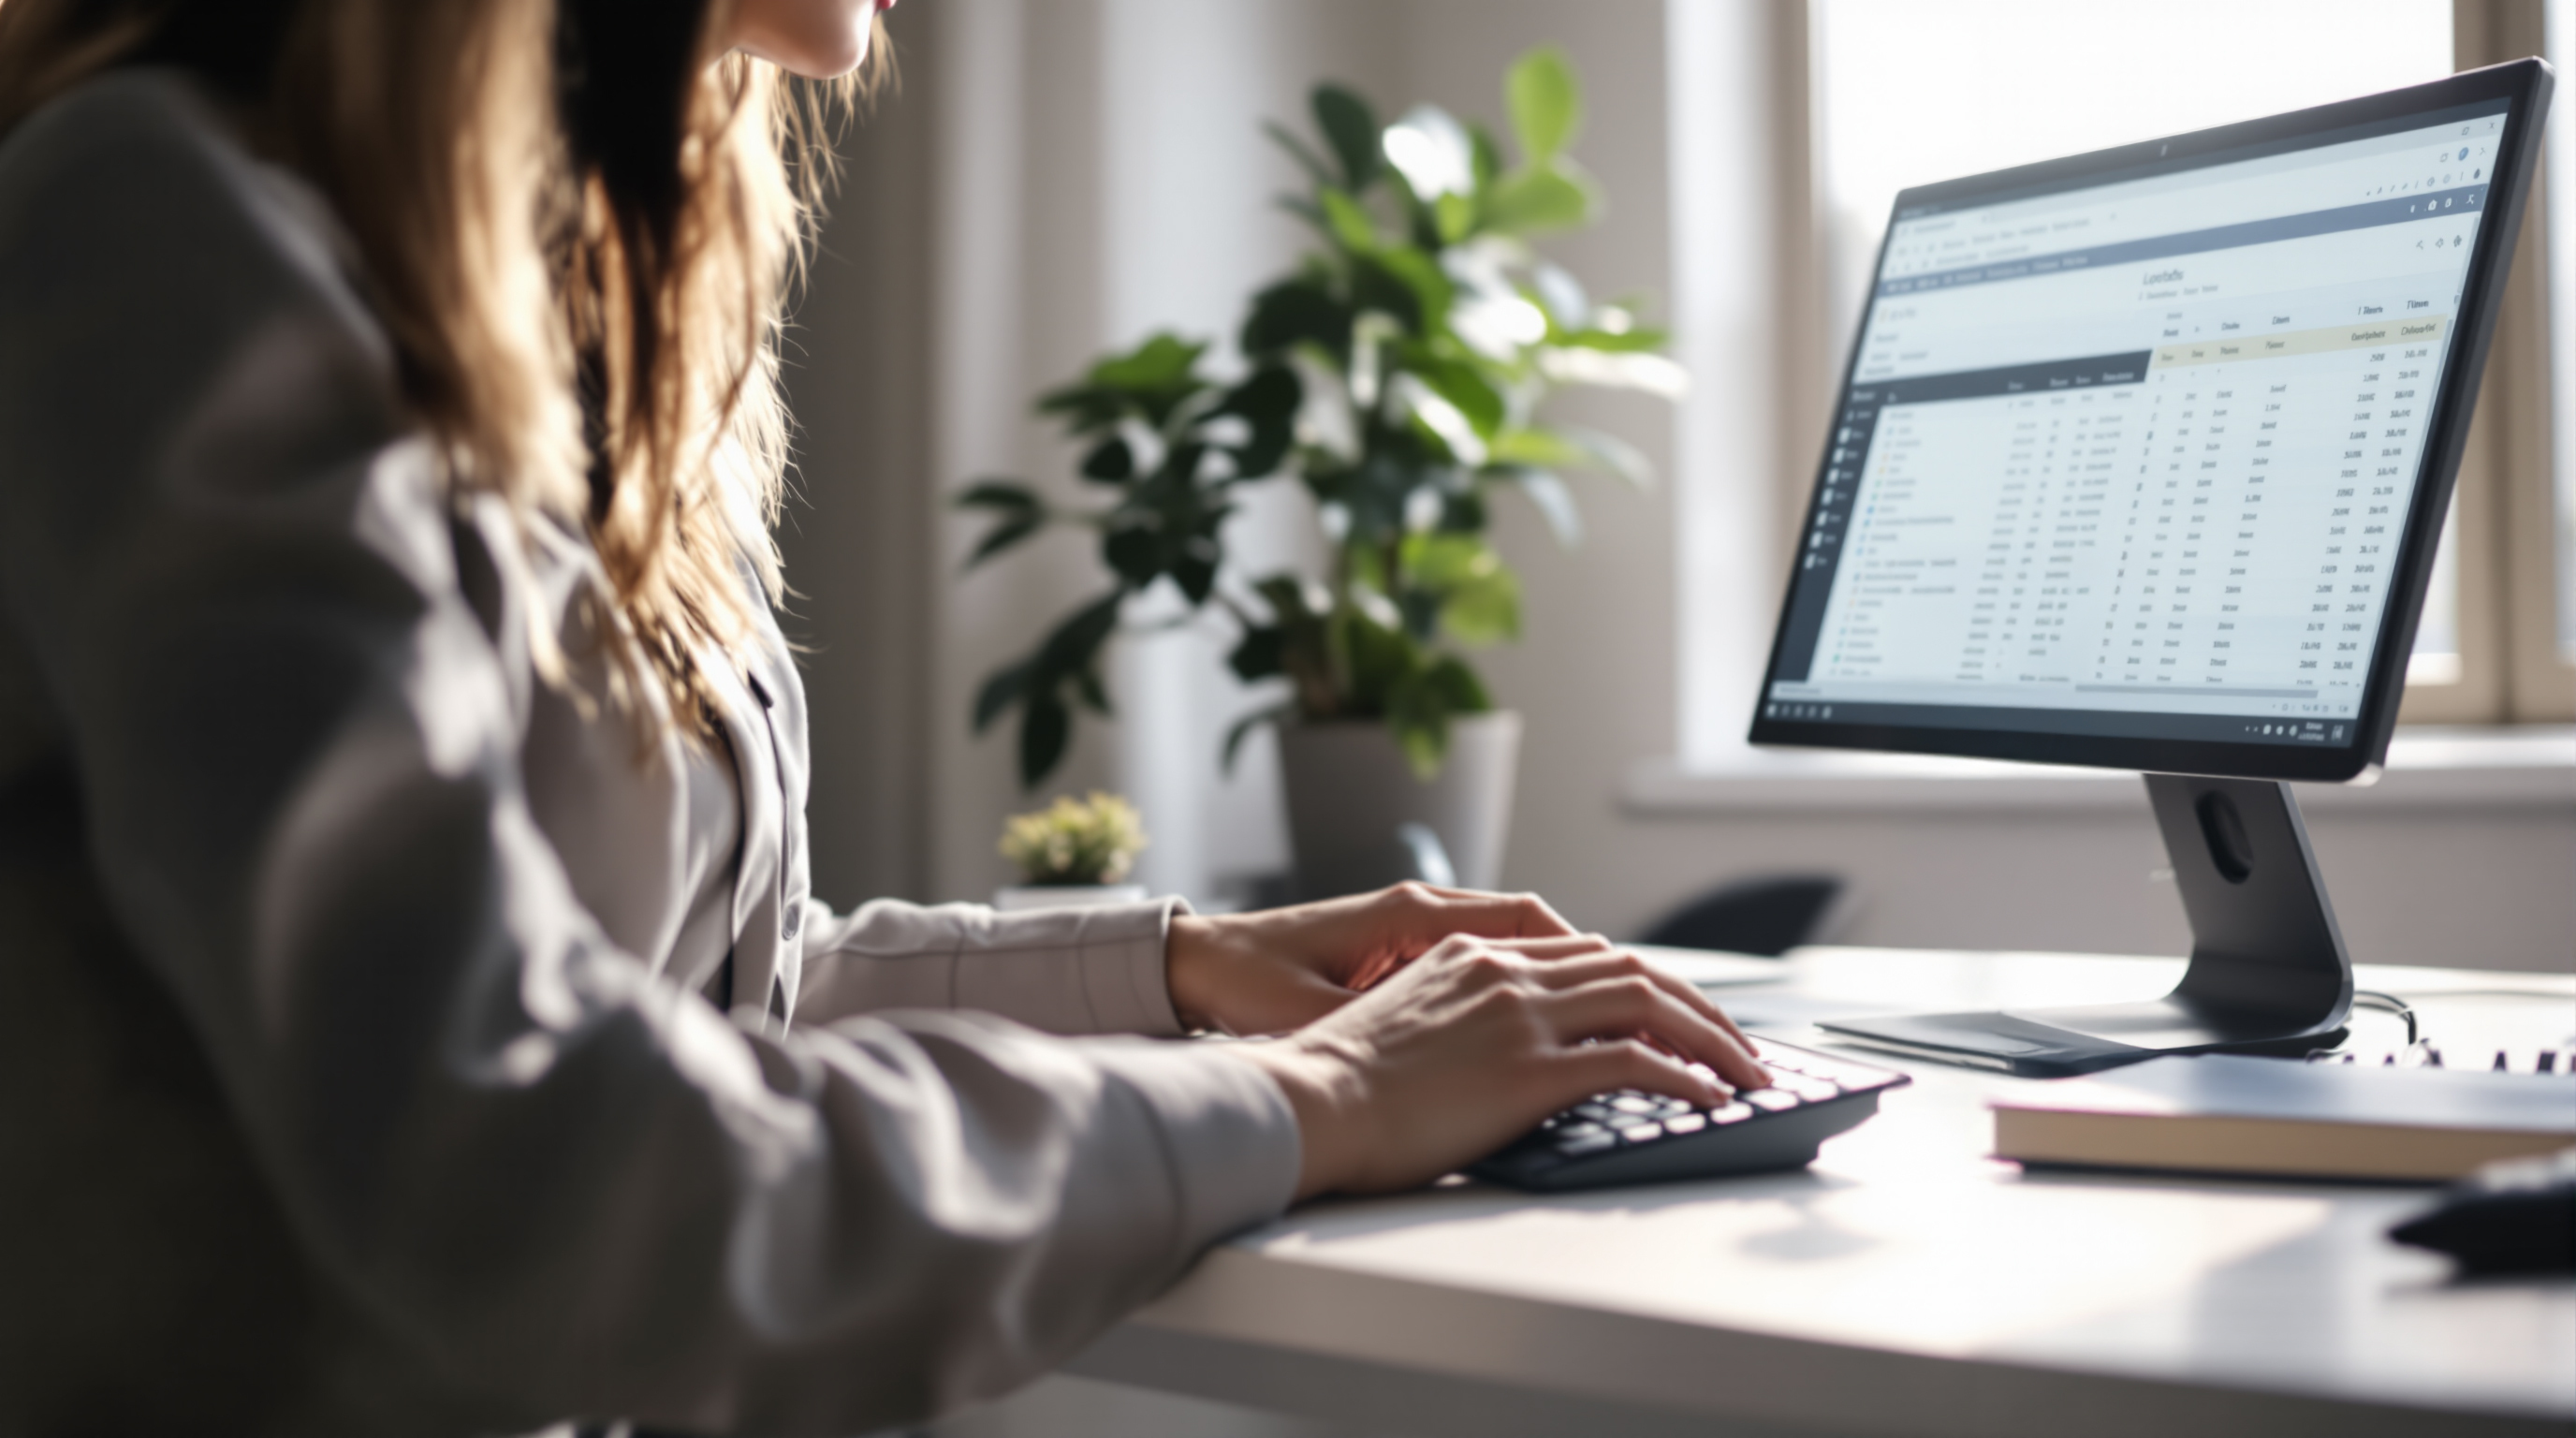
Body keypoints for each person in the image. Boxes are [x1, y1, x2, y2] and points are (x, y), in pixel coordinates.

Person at [0, 0, 1764, 1431]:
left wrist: (1175, 966)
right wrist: (1314, 1095)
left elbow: (675, 994)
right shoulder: (156, 222)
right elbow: (535, 1169)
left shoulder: (562, 283)